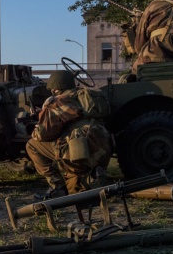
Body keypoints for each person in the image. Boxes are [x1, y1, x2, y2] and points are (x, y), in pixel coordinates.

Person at [26, 70, 112, 199]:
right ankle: (93, 173)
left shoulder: (56, 102)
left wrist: (43, 116)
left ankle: (57, 187)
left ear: (55, 89)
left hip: (81, 155)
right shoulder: (84, 97)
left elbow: (41, 135)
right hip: (103, 152)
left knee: (32, 145)